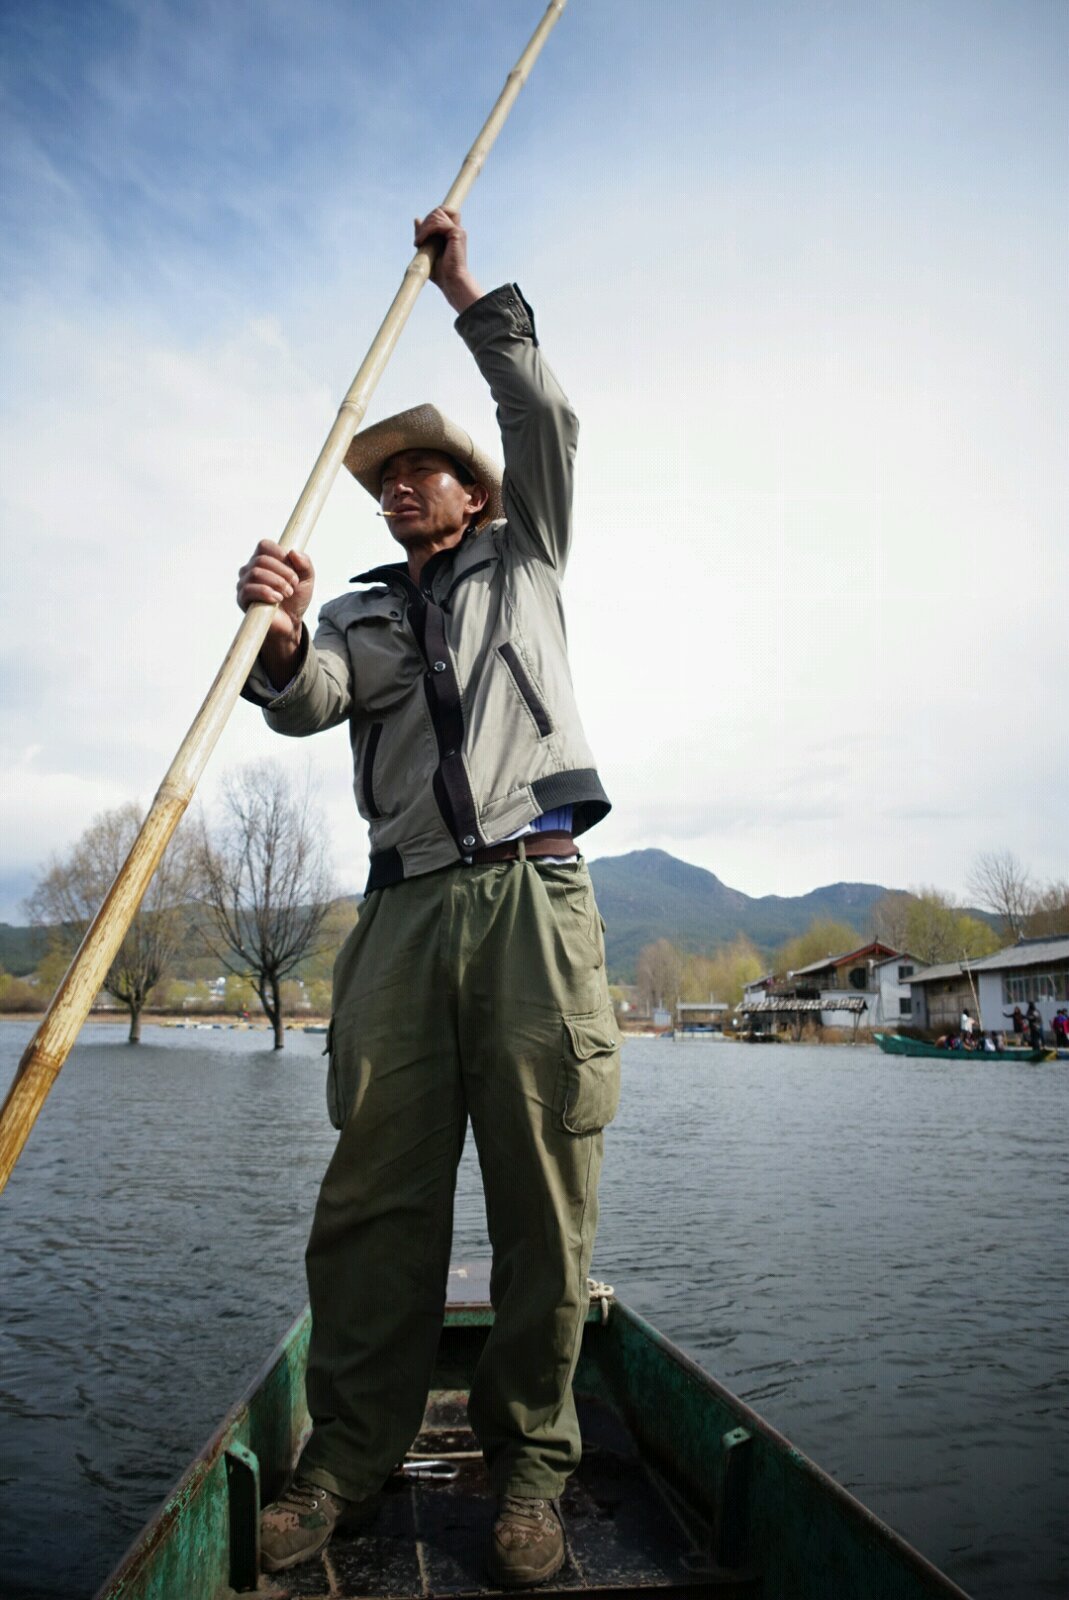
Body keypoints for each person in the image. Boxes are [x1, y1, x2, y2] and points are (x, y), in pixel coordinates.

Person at [235, 208, 618, 1587]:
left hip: (533, 902)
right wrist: (280, 635)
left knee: (540, 1202)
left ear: (472, 489)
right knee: (374, 1203)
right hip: (398, 920)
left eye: (423, 474)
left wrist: (466, 289)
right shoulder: (354, 616)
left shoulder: (527, 557)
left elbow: (543, 414)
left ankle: (528, 1474)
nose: (399, 490)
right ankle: (340, 1467)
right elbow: (306, 707)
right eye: (384, 480)